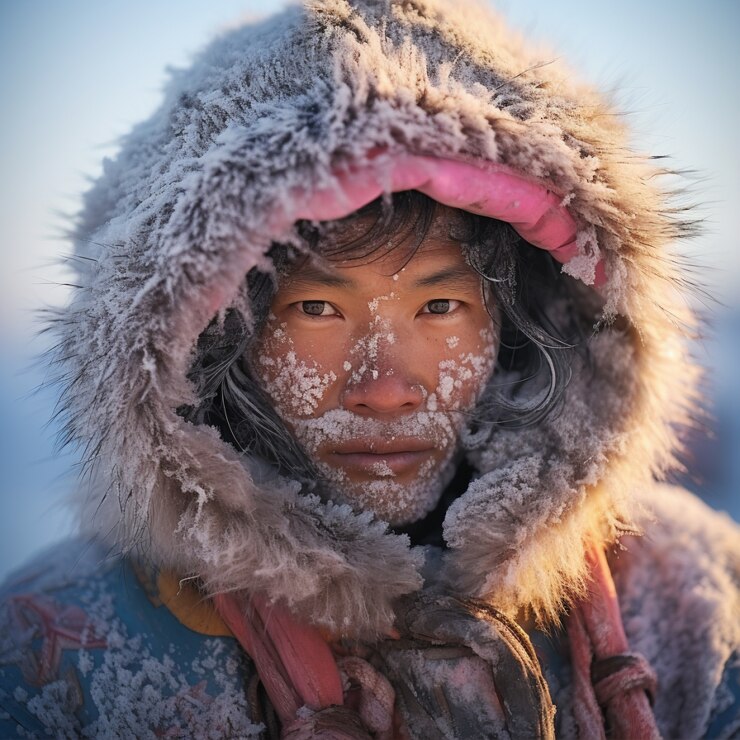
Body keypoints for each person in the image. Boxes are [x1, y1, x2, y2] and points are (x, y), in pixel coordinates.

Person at [1, 0, 738, 737]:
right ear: (214, 338)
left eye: (441, 306)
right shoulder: (56, 650)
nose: (385, 388)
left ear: (519, 323)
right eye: (318, 309)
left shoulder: (700, 605)